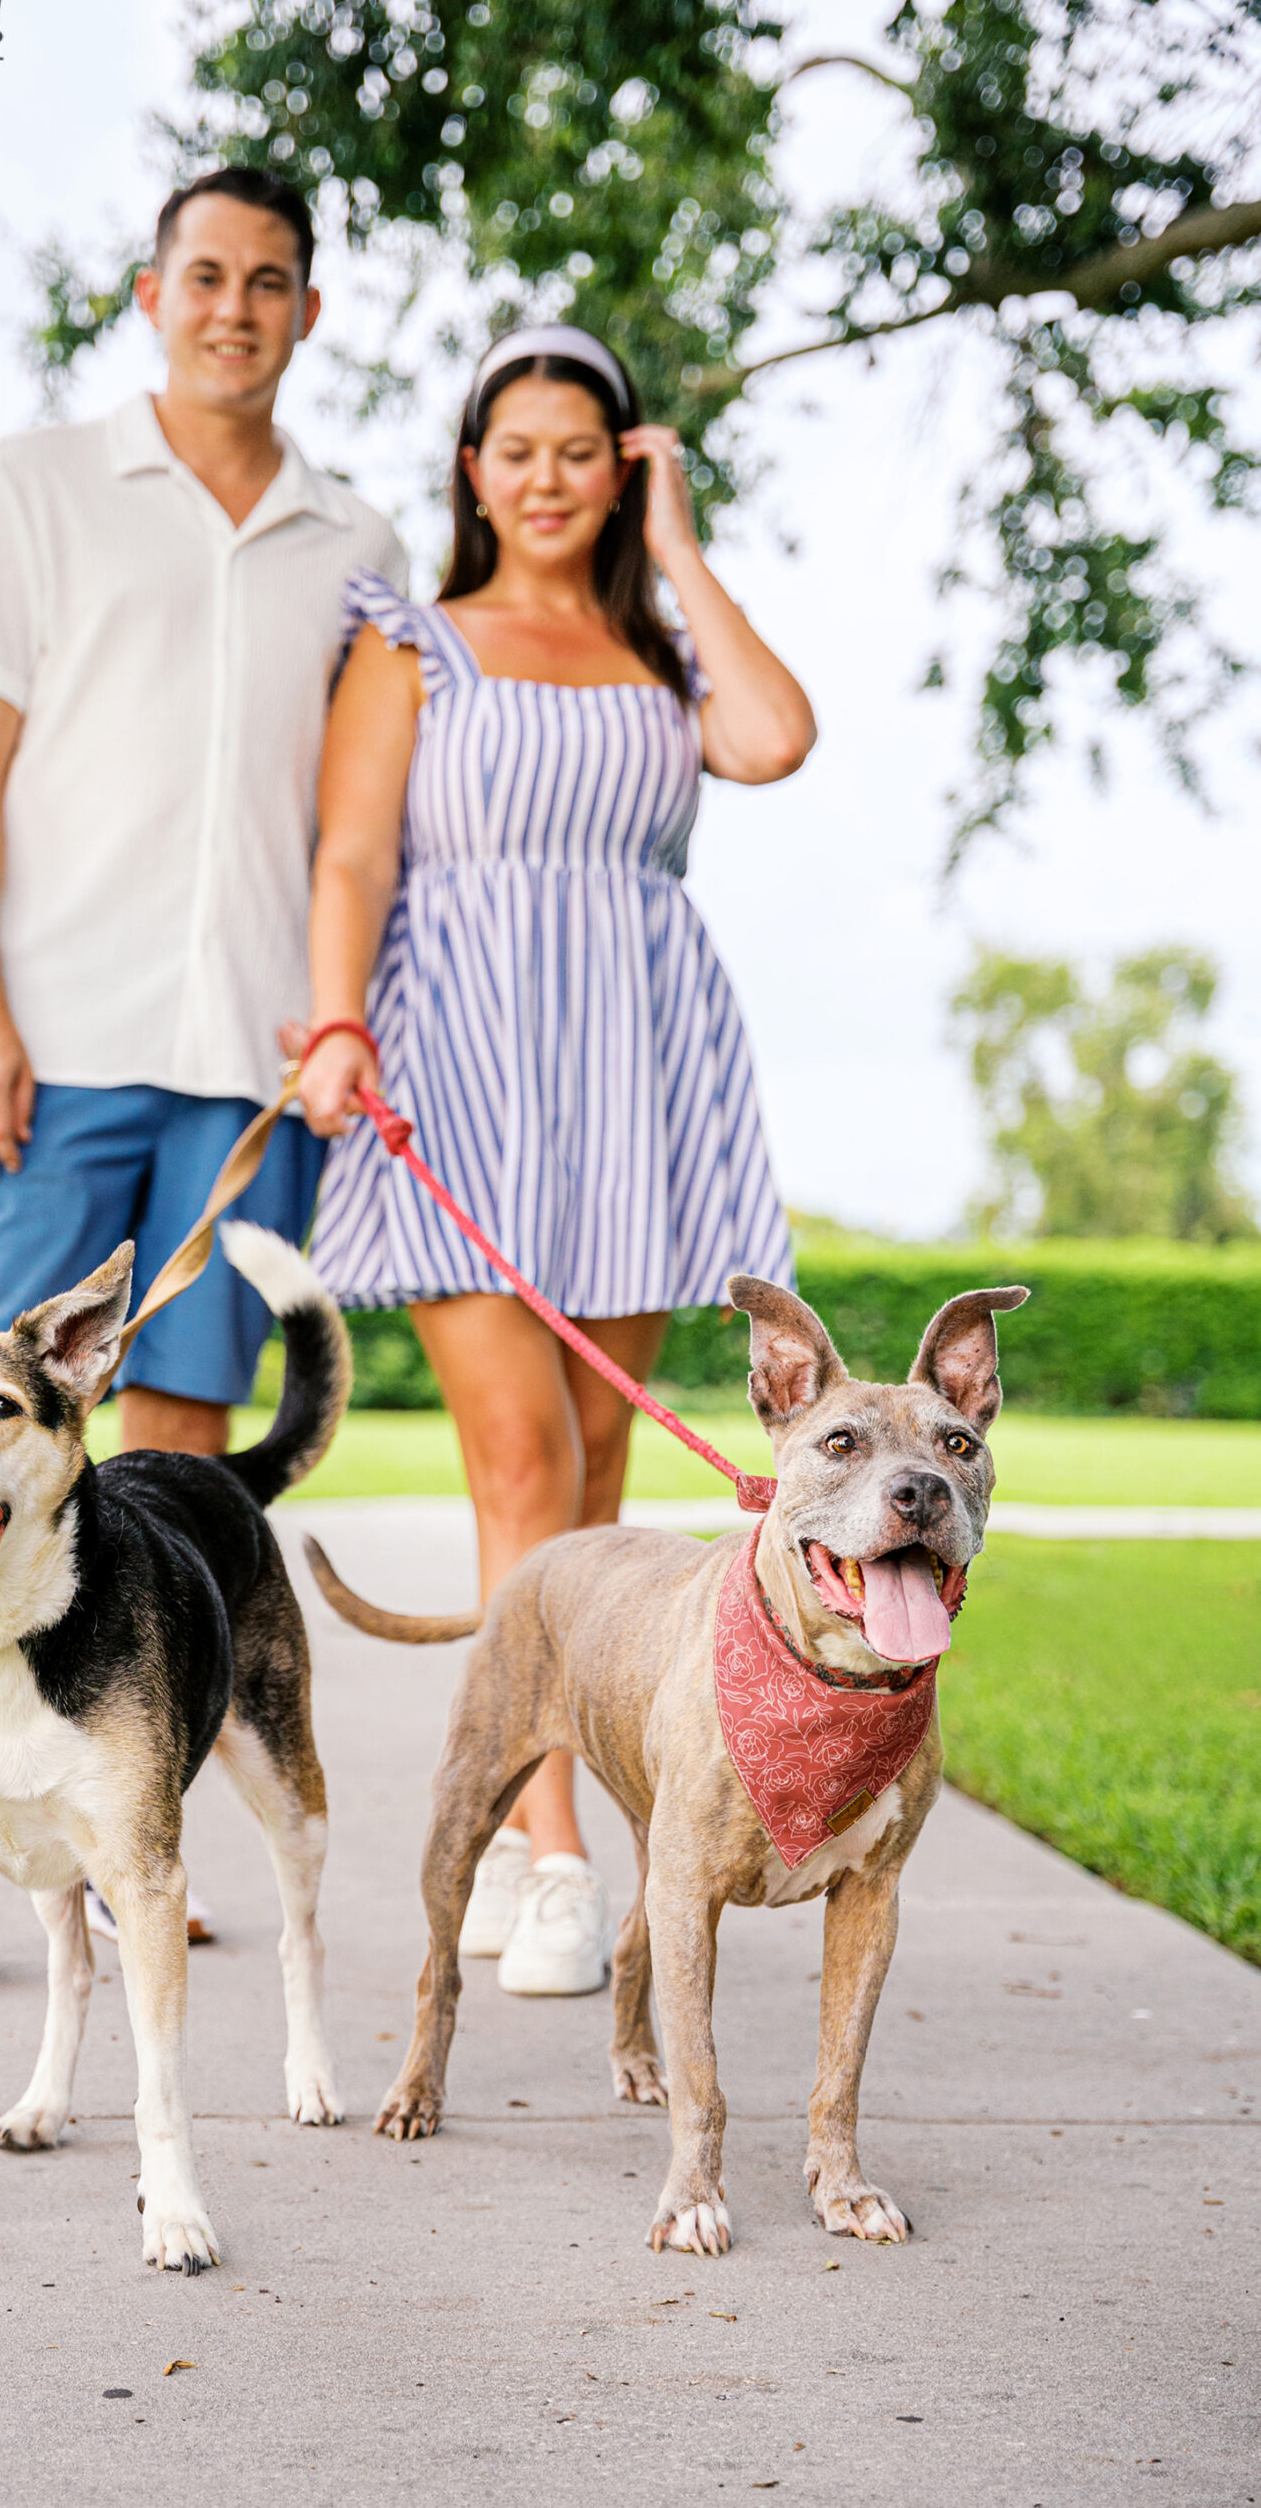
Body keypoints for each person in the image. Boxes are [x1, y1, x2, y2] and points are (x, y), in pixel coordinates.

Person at [0, 167, 408, 1987]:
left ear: (308, 311)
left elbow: (357, 822)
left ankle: (122, 1842)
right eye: (206, 274)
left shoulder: (358, 539)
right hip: (48, 1049)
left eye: (271, 280)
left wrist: (334, 1016)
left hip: (243, 1069)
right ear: (153, 292)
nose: (235, 306)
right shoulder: (32, 488)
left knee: (174, 1474)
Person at [296, 325, 814, 1998]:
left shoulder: (661, 657)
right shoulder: (413, 641)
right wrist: (335, 1023)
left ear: (622, 467)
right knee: (517, 1459)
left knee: (594, 1480)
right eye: (515, 450)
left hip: (637, 1083)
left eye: (581, 451)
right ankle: (564, 1860)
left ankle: (536, 1823)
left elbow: (776, 738)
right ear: (474, 470)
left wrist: (679, 546)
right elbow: (353, 852)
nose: (545, 477)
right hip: (457, 1064)